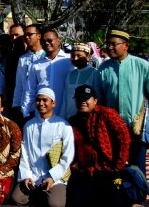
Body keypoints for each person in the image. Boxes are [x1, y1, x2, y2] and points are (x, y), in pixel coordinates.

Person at [67, 84, 132, 206]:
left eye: (86, 98)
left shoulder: (107, 114)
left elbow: (124, 139)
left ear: (95, 100)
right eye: (79, 99)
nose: (82, 102)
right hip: (85, 171)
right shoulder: (73, 121)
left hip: (109, 169)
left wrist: (118, 166)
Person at [98, 29, 149, 174]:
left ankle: (137, 196)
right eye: (108, 44)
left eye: (114, 44)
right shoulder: (103, 68)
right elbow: (98, 100)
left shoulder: (142, 66)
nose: (109, 47)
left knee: (137, 172)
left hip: (135, 129)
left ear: (125, 45)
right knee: (113, 171)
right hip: (111, 130)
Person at [12, 87, 74, 207]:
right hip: (33, 176)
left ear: (53, 103)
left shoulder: (63, 126)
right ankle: (39, 194)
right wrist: (27, 176)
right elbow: (25, 154)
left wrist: (52, 177)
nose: (41, 103)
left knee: (55, 204)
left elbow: (67, 156)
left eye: (45, 100)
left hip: (55, 177)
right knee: (17, 198)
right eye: (38, 100)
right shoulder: (29, 126)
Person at [23, 29, 73, 120]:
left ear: (59, 40)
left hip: (64, 112)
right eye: (43, 41)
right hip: (41, 113)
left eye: (50, 40)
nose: (46, 43)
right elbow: (30, 89)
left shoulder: (69, 61)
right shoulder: (36, 64)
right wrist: (26, 111)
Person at [12, 24, 44, 126]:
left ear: (39, 36)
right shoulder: (23, 59)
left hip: (43, 107)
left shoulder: (46, 57)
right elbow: (19, 85)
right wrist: (16, 105)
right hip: (25, 108)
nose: (26, 37)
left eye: (30, 34)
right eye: (25, 35)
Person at [60, 43, 100, 119]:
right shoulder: (69, 75)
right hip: (69, 119)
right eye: (73, 56)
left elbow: (97, 99)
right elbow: (65, 100)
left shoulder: (94, 73)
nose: (75, 58)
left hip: (87, 119)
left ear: (88, 57)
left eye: (79, 55)